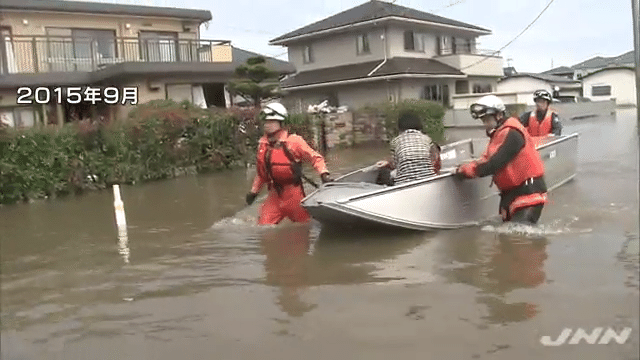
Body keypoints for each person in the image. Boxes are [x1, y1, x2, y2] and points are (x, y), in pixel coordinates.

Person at [455, 95, 548, 225]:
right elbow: (487, 159)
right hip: (513, 195)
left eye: (487, 119)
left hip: (528, 193)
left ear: (499, 115)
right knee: (511, 236)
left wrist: (467, 171)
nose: (485, 124)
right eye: (483, 120)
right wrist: (468, 165)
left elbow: (494, 164)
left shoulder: (512, 133)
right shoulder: (499, 134)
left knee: (519, 240)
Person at [245, 102, 333, 225]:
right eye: (266, 122)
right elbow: (262, 174)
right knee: (263, 229)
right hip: (274, 195)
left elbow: (315, 158)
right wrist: (254, 192)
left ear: (280, 123)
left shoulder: (294, 142)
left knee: (305, 227)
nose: (267, 125)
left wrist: (324, 174)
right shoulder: (263, 145)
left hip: (294, 194)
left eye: (271, 121)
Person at [375, 111, 441, 186]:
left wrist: (386, 163)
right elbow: (434, 160)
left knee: (385, 173)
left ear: (400, 127)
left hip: (403, 183)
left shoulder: (396, 141)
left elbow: (395, 165)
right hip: (428, 180)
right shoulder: (427, 139)